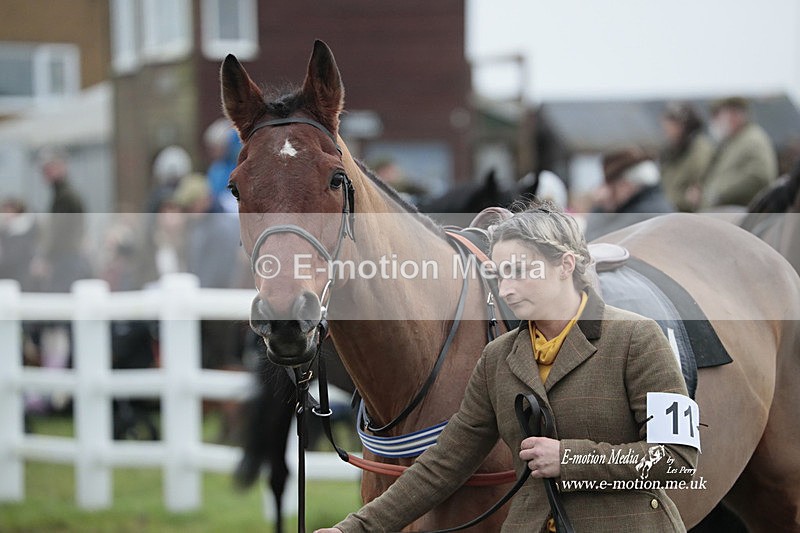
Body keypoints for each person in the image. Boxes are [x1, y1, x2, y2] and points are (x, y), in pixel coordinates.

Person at [317, 201, 698, 533]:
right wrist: (353, 529)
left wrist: (571, 459)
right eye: (500, 276)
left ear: (566, 264)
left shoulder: (637, 338)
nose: (507, 290)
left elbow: (676, 459)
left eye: (520, 271)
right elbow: (442, 465)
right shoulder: (497, 358)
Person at [701, 96, 778, 208]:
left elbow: (760, 176)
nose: (715, 121)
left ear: (734, 115)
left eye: (718, 115)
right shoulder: (734, 142)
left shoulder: (752, 139)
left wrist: (717, 193)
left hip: (743, 215)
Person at [584, 147, 675, 241]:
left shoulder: (644, 214)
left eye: (611, 185)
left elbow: (594, 242)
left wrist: (600, 207)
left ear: (626, 185)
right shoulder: (651, 206)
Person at [659, 102, 714, 212]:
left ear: (681, 125)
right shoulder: (672, 151)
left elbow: (695, 196)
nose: (666, 131)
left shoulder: (700, 150)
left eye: (670, 126)